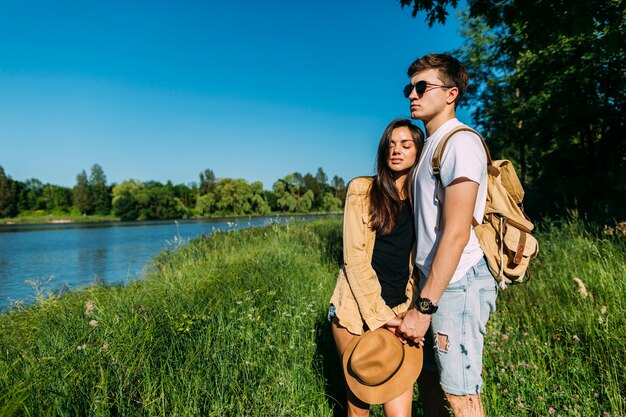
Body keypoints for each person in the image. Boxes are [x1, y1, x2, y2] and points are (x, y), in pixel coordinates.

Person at [397, 53, 498, 417]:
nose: (412, 93)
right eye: (410, 87)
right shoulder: (431, 146)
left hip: (457, 283)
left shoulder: (459, 143)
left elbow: (456, 233)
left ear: (451, 93)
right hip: (435, 282)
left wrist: (425, 308)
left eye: (422, 86)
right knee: (431, 387)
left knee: (461, 396)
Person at [328, 118, 425, 417]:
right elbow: (354, 260)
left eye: (405, 145)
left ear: (419, 152)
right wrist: (384, 318)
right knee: (360, 409)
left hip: (400, 311)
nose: (396, 150)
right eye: (391, 145)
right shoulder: (363, 190)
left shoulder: (424, 202)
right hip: (355, 314)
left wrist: (409, 314)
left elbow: (421, 265)